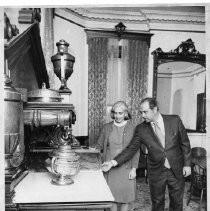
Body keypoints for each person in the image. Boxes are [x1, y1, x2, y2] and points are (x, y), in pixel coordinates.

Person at [102, 97, 192, 211]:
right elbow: (131, 149)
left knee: (177, 202)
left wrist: (187, 164)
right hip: (156, 171)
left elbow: (185, 143)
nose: (142, 115)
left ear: (154, 109)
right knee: (157, 203)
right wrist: (112, 162)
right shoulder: (141, 129)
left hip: (176, 169)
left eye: (145, 112)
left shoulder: (174, 120)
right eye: (141, 112)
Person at [96, 101, 140, 211]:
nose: (117, 116)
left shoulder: (133, 128)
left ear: (126, 113)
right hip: (109, 167)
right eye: (115, 113)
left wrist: (134, 169)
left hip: (126, 167)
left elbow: (135, 150)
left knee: (126, 197)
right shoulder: (106, 127)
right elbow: (98, 145)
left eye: (120, 113)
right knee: (111, 197)